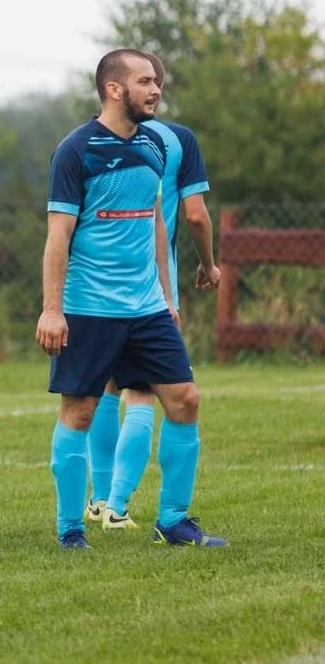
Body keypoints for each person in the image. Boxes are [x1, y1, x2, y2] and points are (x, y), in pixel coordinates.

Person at [38, 48, 224, 550]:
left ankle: (174, 521)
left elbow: (155, 228)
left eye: (157, 82)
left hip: (147, 308)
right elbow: (58, 237)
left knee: (184, 400)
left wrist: (166, 297)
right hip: (89, 307)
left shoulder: (156, 148)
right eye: (145, 81)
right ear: (114, 89)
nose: (156, 89)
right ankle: (70, 530)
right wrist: (52, 309)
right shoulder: (76, 151)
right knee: (79, 411)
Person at [86, 52, 220, 530]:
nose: (154, 89)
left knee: (103, 389)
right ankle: (118, 506)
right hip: (150, 290)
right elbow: (197, 215)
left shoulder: (94, 137)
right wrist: (209, 265)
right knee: (143, 394)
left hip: (95, 289)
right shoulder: (177, 140)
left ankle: (99, 498)